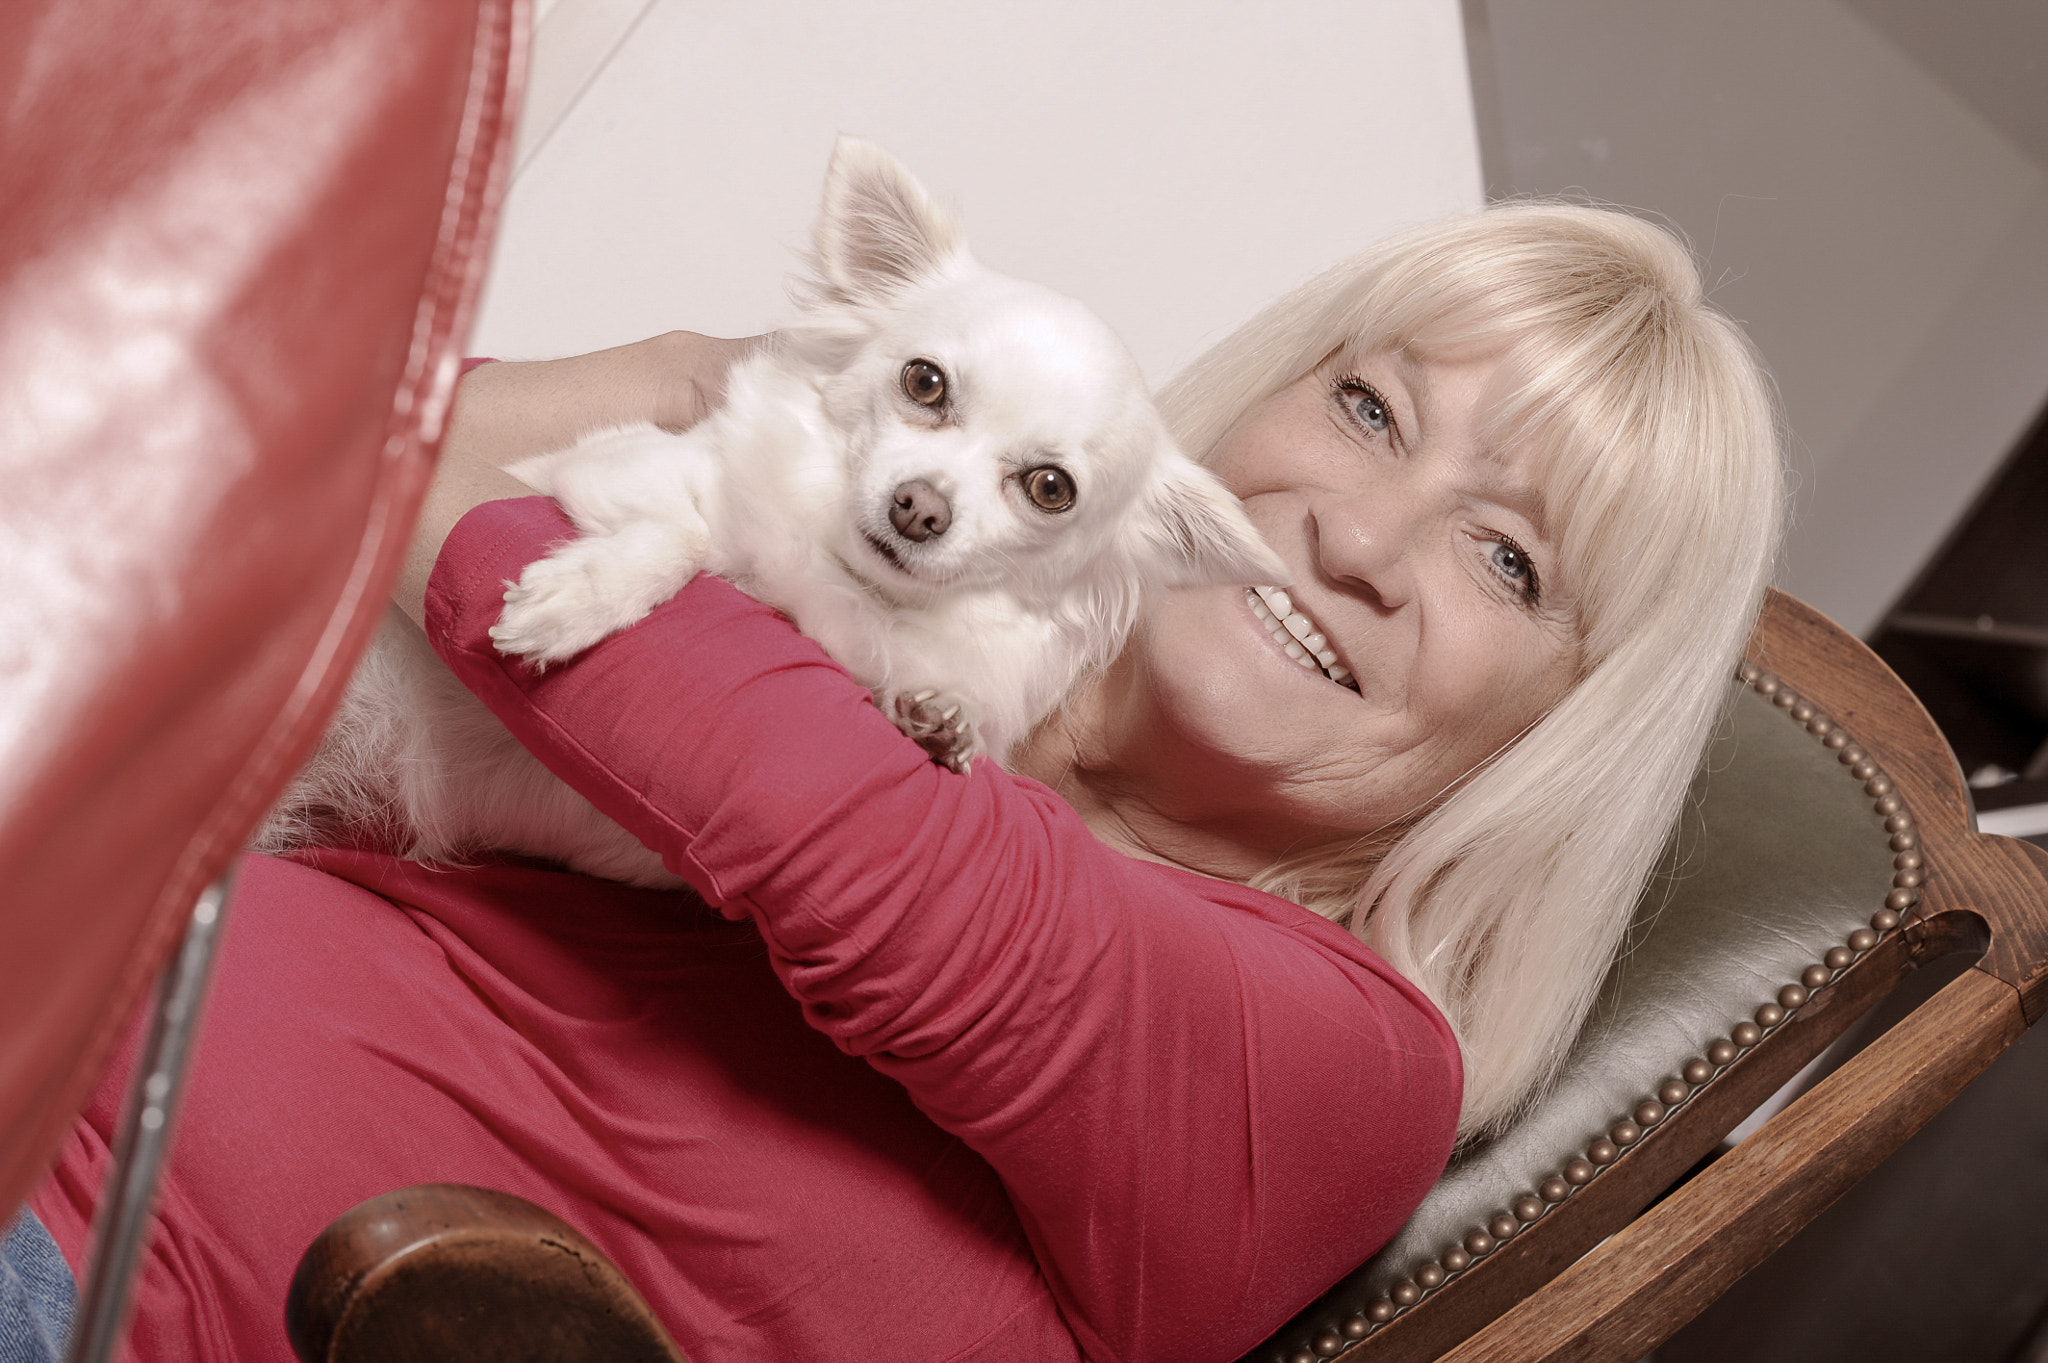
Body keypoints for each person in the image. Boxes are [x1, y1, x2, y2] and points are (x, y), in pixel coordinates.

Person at [15, 201, 1782, 1363]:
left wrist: (663, 418)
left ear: (1565, 732)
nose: (1366, 539)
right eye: (1376, 412)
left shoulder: (1351, 1065)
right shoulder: (898, 618)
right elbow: (208, 496)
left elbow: (780, 787)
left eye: (1511, 566)